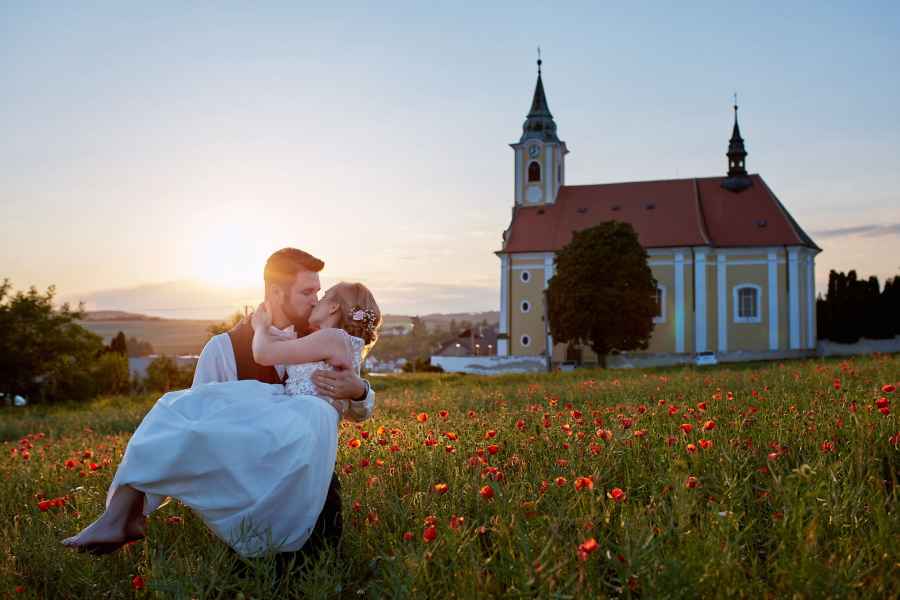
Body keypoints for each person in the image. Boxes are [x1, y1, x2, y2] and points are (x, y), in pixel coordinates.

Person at [62, 265, 380, 561]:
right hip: (244, 486)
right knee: (179, 414)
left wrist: (360, 391)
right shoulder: (223, 348)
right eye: (308, 292)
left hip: (310, 477)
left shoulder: (327, 338)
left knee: (316, 566)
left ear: (334, 308)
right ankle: (123, 513)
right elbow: (206, 413)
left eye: (320, 294)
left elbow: (351, 403)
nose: (314, 300)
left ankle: (123, 515)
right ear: (276, 292)